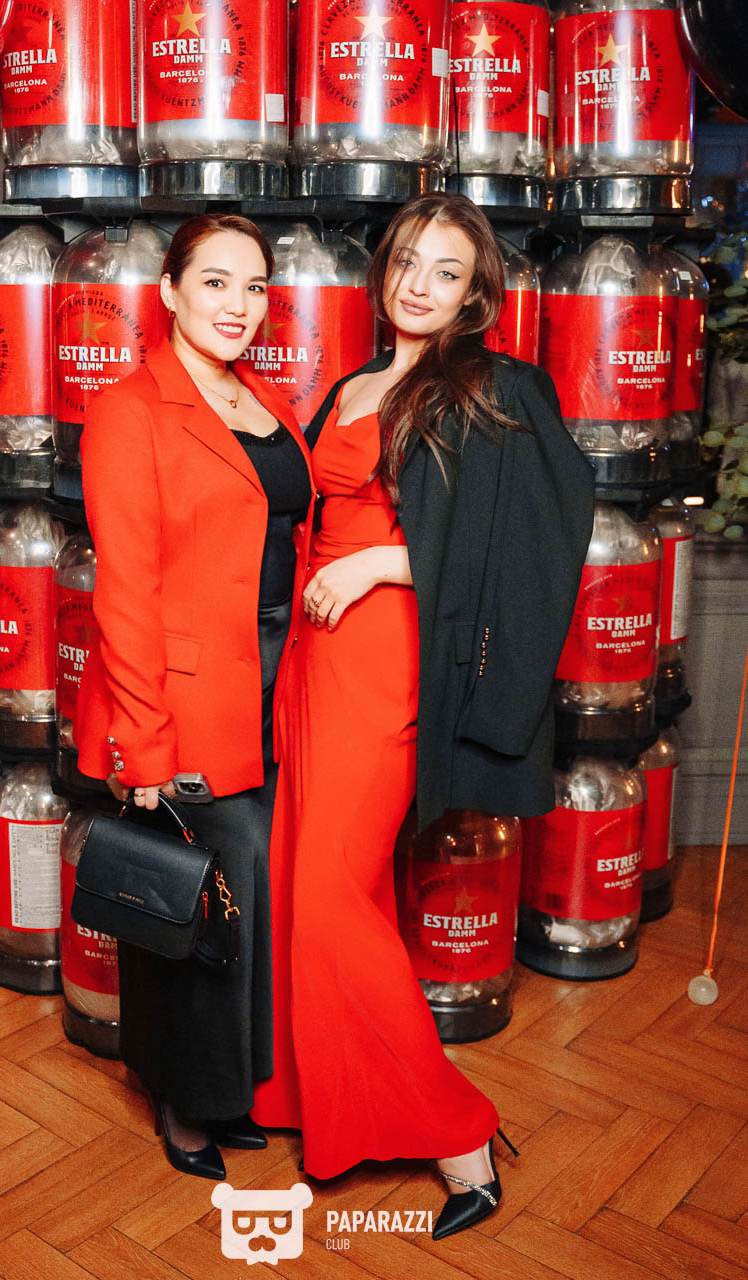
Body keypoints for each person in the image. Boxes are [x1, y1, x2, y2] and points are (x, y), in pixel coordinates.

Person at [250, 193, 595, 1239]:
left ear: (475, 293)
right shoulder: (352, 383)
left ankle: (460, 1135)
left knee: (331, 897)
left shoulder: (494, 389)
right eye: (406, 262)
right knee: (310, 886)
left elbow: (532, 546)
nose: (418, 285)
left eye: (446, 271)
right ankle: (327, 1105)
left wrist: (376, 565)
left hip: (391, 662)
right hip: (314, 663)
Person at [73, 213, 313, 1181]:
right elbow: (125, 589)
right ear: (169, 290)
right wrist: (144, 743)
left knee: (249, 891)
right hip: (184, 692)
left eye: (254, 287)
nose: (238, 305)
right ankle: (182, 1101)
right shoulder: (129, 410)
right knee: (195, 896)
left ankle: (228, 1089)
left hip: (274, 677)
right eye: (215, 282)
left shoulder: (260, 398)